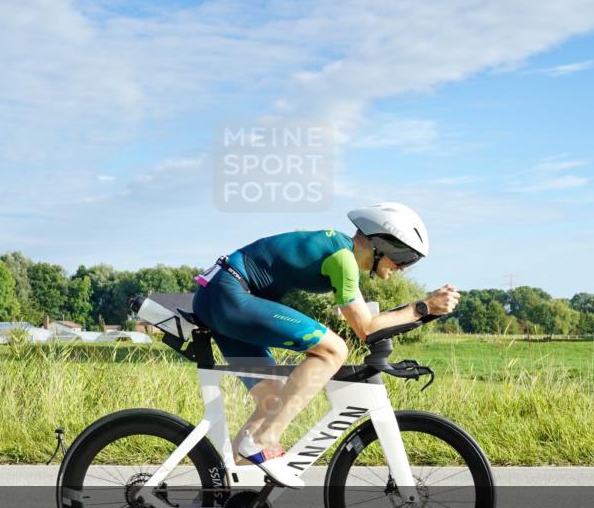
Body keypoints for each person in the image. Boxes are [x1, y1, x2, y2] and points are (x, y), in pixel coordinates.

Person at [191, 202, 460, 489]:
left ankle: (233, 496)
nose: (403, 268)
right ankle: (263, 440)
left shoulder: (343, 255)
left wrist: (423, 309)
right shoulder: (342, 259)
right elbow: (366, 329)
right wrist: (424, 306)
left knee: (272, 400)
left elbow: (369, 322)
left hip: (221, 294)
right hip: (229, 294)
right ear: (382, 242)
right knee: (334, 349)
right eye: (405, 258)